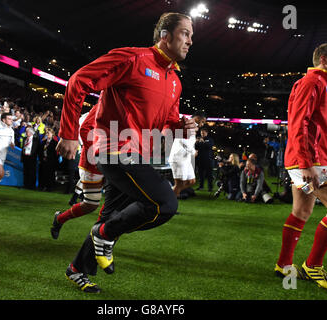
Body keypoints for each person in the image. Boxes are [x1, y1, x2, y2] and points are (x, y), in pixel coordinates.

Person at [55, 12, 196, 293]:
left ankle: (77, 268)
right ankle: (103, 235)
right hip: (112, 149)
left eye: (192, 36)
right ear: (165, 36)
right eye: (185, 34)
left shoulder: (175, 82)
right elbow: (78, 81)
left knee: (113, 213)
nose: (191, 41)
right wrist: (69, 133)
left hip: (138, 154)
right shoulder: (131, 58)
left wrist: (182, 125)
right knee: (165, 204)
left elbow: (166, 123)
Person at [274, 43, 327, 292]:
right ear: (324, 59)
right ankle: (312, 266)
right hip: (310, 161)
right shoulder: (312, 82)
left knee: (301, 212)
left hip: (306, 159)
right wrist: (307, 163)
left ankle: (284, 265)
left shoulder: (320, 84)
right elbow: (298, 123)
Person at [51, 104, 105, 239]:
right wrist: (97, 154)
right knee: (91, 205)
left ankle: (101, 238)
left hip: (116, 160)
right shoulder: (102, 104)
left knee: (115, 202)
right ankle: (60, 219)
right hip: (93, 161)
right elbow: (85, 129)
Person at [168, 111, 206, 197]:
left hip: (186, 159)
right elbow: (182, 141)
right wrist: (193, 152)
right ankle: (170, 204)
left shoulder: (193, 127)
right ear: (197, 118)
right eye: (203, 121)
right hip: (179, 158)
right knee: (179, 185)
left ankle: (169, 193)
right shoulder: (188, 124)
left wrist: (195, 141)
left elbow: (187, 140)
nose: (203, 124)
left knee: (191, 181)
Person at [195, 127, 215, 191]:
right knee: (201, 175)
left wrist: (203, 142)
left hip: (208, 160)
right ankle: (201, 186)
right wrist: (196, 142)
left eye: (203, 133)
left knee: (209, 175)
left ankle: (210, 187)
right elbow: (196, 147)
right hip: (200, 160)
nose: (202, 134)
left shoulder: (210, 139)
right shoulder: (199, 139)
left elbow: (209, 146)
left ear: (206, 133)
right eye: (201, 133)